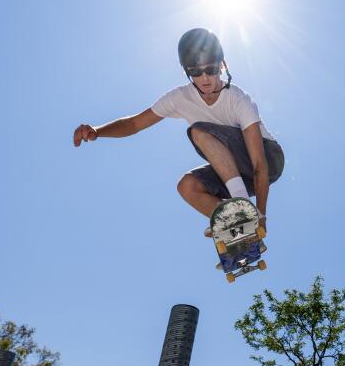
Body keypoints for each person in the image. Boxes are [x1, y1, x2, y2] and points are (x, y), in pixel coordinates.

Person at [73, 27, 284, 236]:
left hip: (267, 159)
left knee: (198, 131)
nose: (205, 78)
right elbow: (134, 124)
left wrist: (262, 215)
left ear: (221, 66)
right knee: (187, 186)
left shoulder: (238, 100)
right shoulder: (179, 98)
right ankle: (236, 223)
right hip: (239, 174)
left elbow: (259, 164)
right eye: (195, 72)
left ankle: (245, 212)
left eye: (210, 69)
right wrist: (98, 131)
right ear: (187, 72)